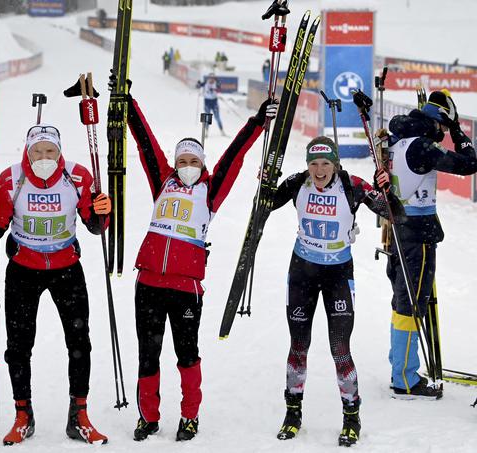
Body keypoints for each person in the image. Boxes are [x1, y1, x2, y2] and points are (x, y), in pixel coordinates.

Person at [121, 74, 278, 442]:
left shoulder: (210, 189)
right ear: (175, 164)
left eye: (194, 160)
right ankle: (149, 417)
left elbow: (234, 157)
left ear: (202, 163)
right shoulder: (163, 179)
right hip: (148, 282)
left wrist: (257, 123)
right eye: (182, 160)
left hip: (185, 287)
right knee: (148, 352)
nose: (187, 164)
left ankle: (189, 416)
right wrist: (127, 104)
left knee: (186, 354)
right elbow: (146, 143)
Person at [0, 124, 112, 446]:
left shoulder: (77, 177)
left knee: (79, 342)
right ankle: (23, 415)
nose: (43, 157)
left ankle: (79, 416)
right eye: (37, 151)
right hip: (23, 270)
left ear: (59, 152)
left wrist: (103, 213)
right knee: (19, 346)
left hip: (66, 269)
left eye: (50, 151)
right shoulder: (11, 178)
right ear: (27, 152)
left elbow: (94, 225)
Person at [268, 136, 404, 446]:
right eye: (313, 164)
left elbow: (394, 213)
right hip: (302, 272)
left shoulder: (351, 185)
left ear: (335, 164)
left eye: (325, 164)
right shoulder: (297, 183)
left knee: (340, 348)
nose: (319, 171)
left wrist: (385, 188)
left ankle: (351, 417)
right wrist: (265, 184)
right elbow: (264, 205)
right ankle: (292, 413)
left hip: (338, 275)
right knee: (298, 345)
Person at [384, 90, 477, 399]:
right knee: (412, 304)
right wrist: (458, 131)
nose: (443, 134)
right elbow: (469, 163)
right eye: (444, 127)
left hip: (399, 227)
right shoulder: (422, 146)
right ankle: (405, 380)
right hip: (417, 233)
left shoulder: (399, 138)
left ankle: (400, 366)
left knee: (402, 301)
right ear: (440, 121)